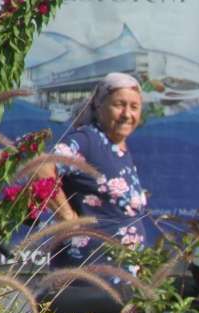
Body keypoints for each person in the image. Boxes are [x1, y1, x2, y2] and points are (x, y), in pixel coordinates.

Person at [38, 72, 151, 267]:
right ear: (99, 106)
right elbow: (41, 168)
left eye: (134, 107)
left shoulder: (118, 150)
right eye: (119, 105)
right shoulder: (88, 140)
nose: (127, 114)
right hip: (87, 277)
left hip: (120, 278)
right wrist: (66, 216)